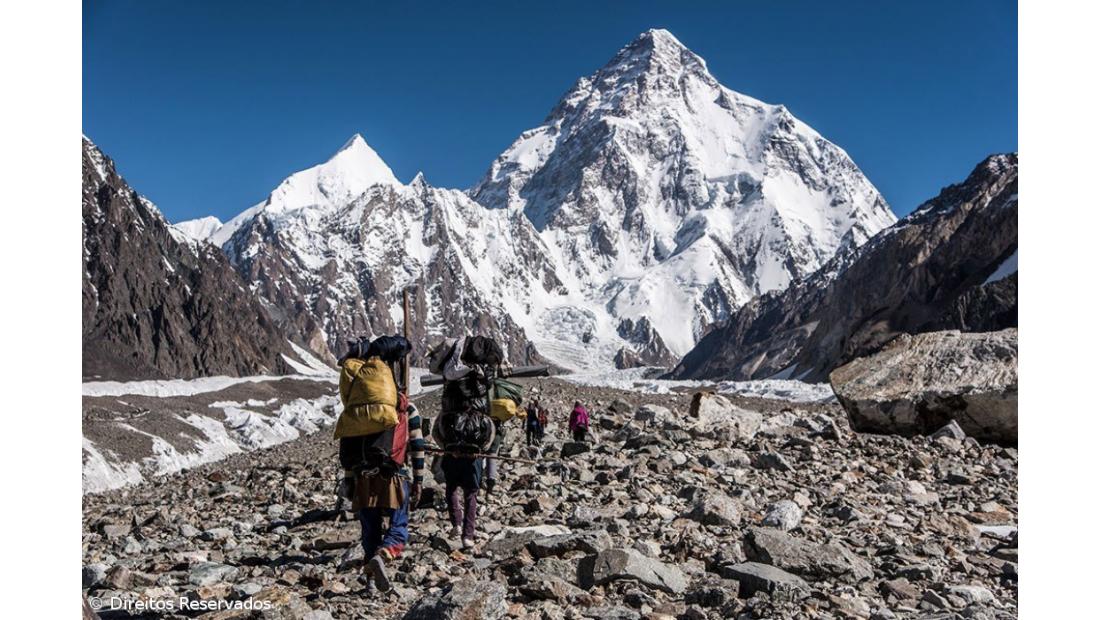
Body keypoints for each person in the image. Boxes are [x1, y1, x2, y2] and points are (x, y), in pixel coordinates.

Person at [350, 393, 425, 594]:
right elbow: (417, 445)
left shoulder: (358, 406)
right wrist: (418, 480)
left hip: (364, 477)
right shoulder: (407, 407)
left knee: (369, 530)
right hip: (395, 477)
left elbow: (349, 446)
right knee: (398, 527)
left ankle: (370, 583)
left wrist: (350, 480)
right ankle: (382, 556)